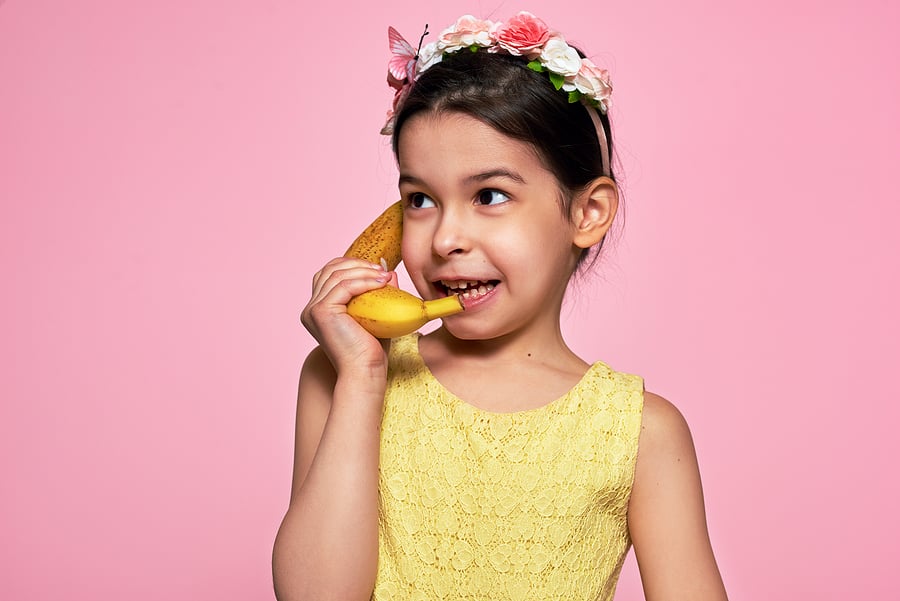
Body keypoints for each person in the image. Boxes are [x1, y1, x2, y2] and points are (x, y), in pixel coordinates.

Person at [273, 12, 727, 601]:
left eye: (489, 195)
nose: (444, 239)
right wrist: (362, 376)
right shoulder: (341, 376)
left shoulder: (641, 431)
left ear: (586, 213)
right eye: (420, 199)